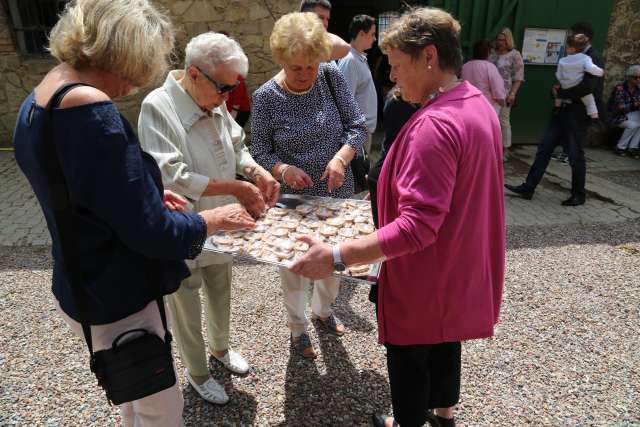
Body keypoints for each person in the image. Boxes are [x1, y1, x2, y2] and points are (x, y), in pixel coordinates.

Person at [12, 1, 255, 425]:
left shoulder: (40, 98)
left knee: (132, 394)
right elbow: (153, 234)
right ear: (119, 55)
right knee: (161, 409)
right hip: (115, 288)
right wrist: (214, 219)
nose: (131, 87)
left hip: (78, 277)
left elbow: (76, 189)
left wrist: (142, 194)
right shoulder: (92, 113)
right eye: (133, 73)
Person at [290, 7, 505, 427]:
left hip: (423, 278)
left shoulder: (435, 125)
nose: (392, 77)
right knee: (446, 343)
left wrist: (337, 255)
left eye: (397, 66)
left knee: (410, 360)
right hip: (457, 268)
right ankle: (444, 415)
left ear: (428, 57)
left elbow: (417, 226)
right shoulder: (476, 103)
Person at [138, 32, 280, 405]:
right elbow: (170, 174)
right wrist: (234, 187)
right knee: (186, 303)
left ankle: (219, 348)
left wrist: (255, 172)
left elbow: (237, 145)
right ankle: (197, 371)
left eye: (232, 88)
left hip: (223, 225)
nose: (228, 97)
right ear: (195, 73)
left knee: (220, 289)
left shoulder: (214, 97)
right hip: (184, 225)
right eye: (223, 87)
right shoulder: (158, 107)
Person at [250, 12, 367, 358]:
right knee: (294, 269)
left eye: (310, 67)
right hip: (292, 202)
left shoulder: (331, 77)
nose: (304, 75)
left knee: (333, 265)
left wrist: (341, 159)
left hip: (336, 193)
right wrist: (283, 169)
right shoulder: (266, 97)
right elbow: (258, 150)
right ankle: (297, 327)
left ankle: (323, 310)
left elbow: (357, 127)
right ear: (281, 60)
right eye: (295, 68)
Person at [366, 86, 419, 313]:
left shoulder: (394, 98)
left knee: (385, 237)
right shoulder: (414, 103)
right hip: (396, 177)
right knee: (396, 244)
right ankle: (390, 294)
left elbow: (389, 143)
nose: (391, 74)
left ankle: (383, 289)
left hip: (384, 174)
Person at [337, 14, 378, 153]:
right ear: (361, 33)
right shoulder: (350, 60)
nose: (374, 38)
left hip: (363, 132)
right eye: (372, 34)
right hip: (357, 134)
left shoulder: (358, 58)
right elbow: (344, 102)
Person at [490, 27, 524, 160]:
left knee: (503, 121)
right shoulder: (492, 53)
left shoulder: (514, 55)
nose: (500, 43)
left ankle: (505, 149)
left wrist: (513, 93)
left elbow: (519, 77)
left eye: (503, 40)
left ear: (508, 41)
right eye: (498, 40)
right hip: (488, 92)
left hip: (504, 93)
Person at [554, 33, 604, 120]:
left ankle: (557, 107)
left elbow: (558, 74)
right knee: (590, 101)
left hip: (565, 85)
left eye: (567, 47)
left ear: (572, 49)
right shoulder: (585, 58)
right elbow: (591, 68)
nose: (566, 49)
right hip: (577, 85)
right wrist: (601, 72)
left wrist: (562, 82)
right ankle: (594, 117)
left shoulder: (562, 60)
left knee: (559, 94)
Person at [461, 39, 506, 114]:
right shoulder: (489, 67)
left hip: (468, 106)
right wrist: (502, 102)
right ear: (487, 52)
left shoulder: (465, 66)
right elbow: (498, 90)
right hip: (486, 108)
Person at [607, 64, 640, 158]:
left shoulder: (638, 89)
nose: (638, 80)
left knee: (637, 124)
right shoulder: (620, 88)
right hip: (618, 116)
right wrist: (636, 104)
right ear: (629, 77)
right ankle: (620, 147)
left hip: (632, 115)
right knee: (633, 125)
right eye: (635, 77)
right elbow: (621, 107)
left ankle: (633, 147)